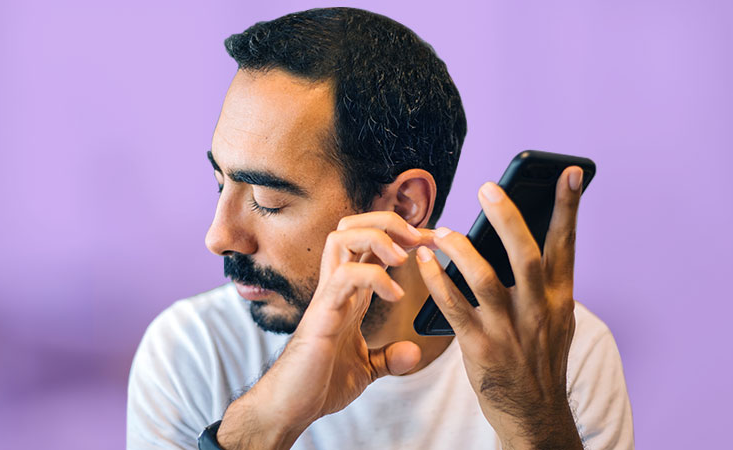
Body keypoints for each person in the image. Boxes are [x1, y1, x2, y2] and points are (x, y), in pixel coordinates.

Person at [126, 7, 633, 450]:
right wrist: (262, 426)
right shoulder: (192, 348)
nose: (219, 237)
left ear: (406, 206)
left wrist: (535, 425)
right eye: (221, 184)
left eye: (268, 200)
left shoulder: (563, 354)